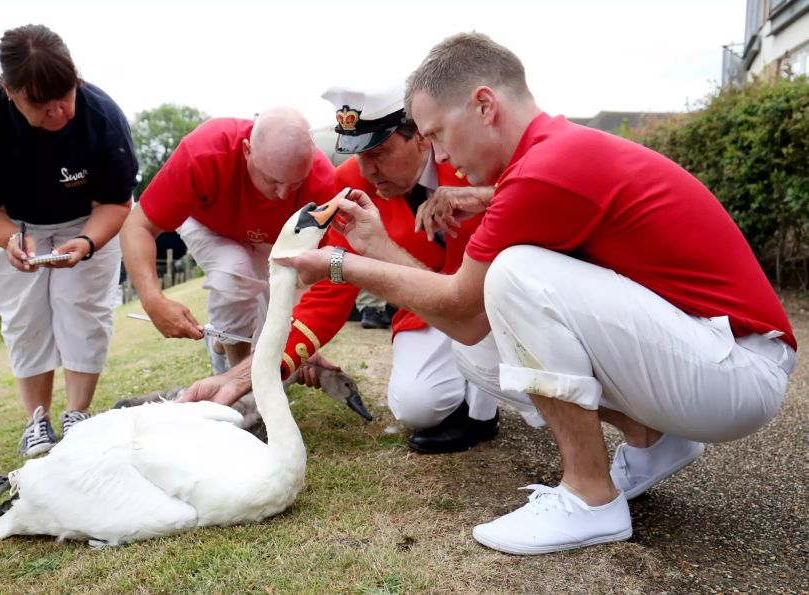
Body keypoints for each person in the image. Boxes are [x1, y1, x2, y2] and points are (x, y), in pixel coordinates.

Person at [280, 32, 796, 555]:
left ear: (484, 105)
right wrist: (375, 243)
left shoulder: (546, 168)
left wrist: (343, 262)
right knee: (480, 355)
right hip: (715, 356)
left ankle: (589, 498)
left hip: (738, 369)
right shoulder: (550, 155)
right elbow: (472, 327)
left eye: (436, 133)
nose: (437, 152)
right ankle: (652, 439)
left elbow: (462, 308)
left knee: (514, 274)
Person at [181, 84, 501, 455]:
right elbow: (330, 296)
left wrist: (488, 196)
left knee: (499, 318)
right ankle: (465, 390)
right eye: (357, 153)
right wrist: (240, 378)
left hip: (489, 306)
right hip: (425, 311)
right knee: (417, 405)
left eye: (378, 151)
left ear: (421, 138)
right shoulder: (351, 182)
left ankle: (484, 410)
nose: (366, 170)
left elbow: (473, 290)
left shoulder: (472, 163)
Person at [0, 24, 137, 456]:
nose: (58, 113)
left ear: (76, 77)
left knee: (84, 309)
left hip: (88, 218)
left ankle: (77, 414)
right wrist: (9, 239)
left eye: (65, 96)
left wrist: (88, 243)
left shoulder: (102, 116)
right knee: (24, 317)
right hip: (12, 223)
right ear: (8, 90)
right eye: (40, 103)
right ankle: (38, 420)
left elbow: (116, 201)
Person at [120, 109, 337, 373]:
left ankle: (223, 343)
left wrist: (302, 340)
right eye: (272, 180)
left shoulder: (323, 182)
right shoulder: (203, 152)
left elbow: (321, 271)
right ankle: (236, 381)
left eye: (296, 183)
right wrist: (153, 300)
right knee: (233, 271)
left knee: (274, 328)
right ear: (247, 150)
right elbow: (137, 226)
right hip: (208, 221)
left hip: (273, 235)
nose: (282, 194)